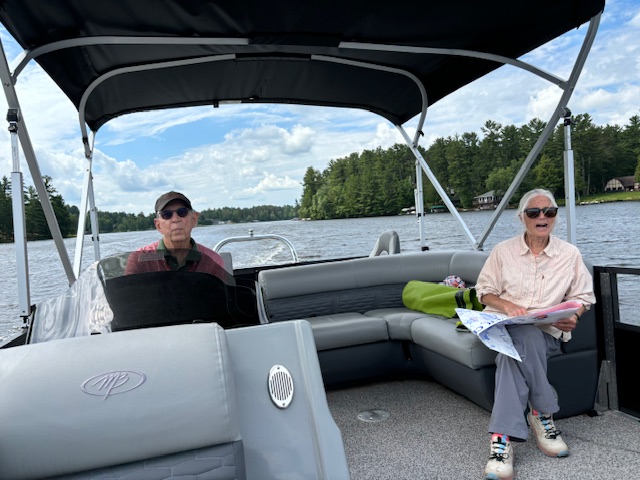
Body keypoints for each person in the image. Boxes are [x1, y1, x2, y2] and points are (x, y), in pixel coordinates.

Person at [475, 188, 595, 480]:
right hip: (505, 331)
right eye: (534, 212)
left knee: (514, 354)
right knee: (521, 335)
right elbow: (484, 291)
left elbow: (584, 296)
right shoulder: (502, 252)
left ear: (555, 216)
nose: (542, 217)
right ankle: (543, 413)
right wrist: (507, 305)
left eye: (549, 212)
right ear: (522, 218)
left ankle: (501, 440)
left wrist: (573, 316)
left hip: (547, 335)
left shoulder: (570, 254)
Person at [124, 191, 226, 277]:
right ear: (158, 225)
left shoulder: (213, 261)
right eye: (167, 214)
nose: (176, 219)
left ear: (194, 220)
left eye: (182, 212)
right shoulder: (141, 258)